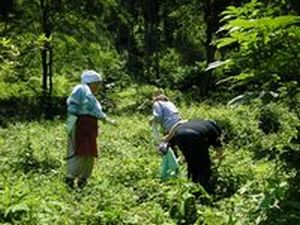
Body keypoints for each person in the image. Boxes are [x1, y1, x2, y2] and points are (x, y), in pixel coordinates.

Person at [150, 91, 223, 193]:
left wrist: (168, 137)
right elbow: (219, 151)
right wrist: (216, 163)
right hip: (194, 136)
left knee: (191, 161)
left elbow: (179, 123)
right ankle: (205, 190)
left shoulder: (200, 121)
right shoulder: (214, 131)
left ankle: (191, 185)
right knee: (204, 165)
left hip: (179, 133)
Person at [65, 70, 116, 188]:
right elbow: (72, 106)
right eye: (96, 84)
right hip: (80, 125)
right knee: (79, 152)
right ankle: (71, 178)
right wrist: (70, 124)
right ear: (90, 82)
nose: (98, 87)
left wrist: (108, 120)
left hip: (90, 126)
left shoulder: (91, 96)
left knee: (90, 153)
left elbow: (97, 112)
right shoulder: (80, 89)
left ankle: (83, 179)